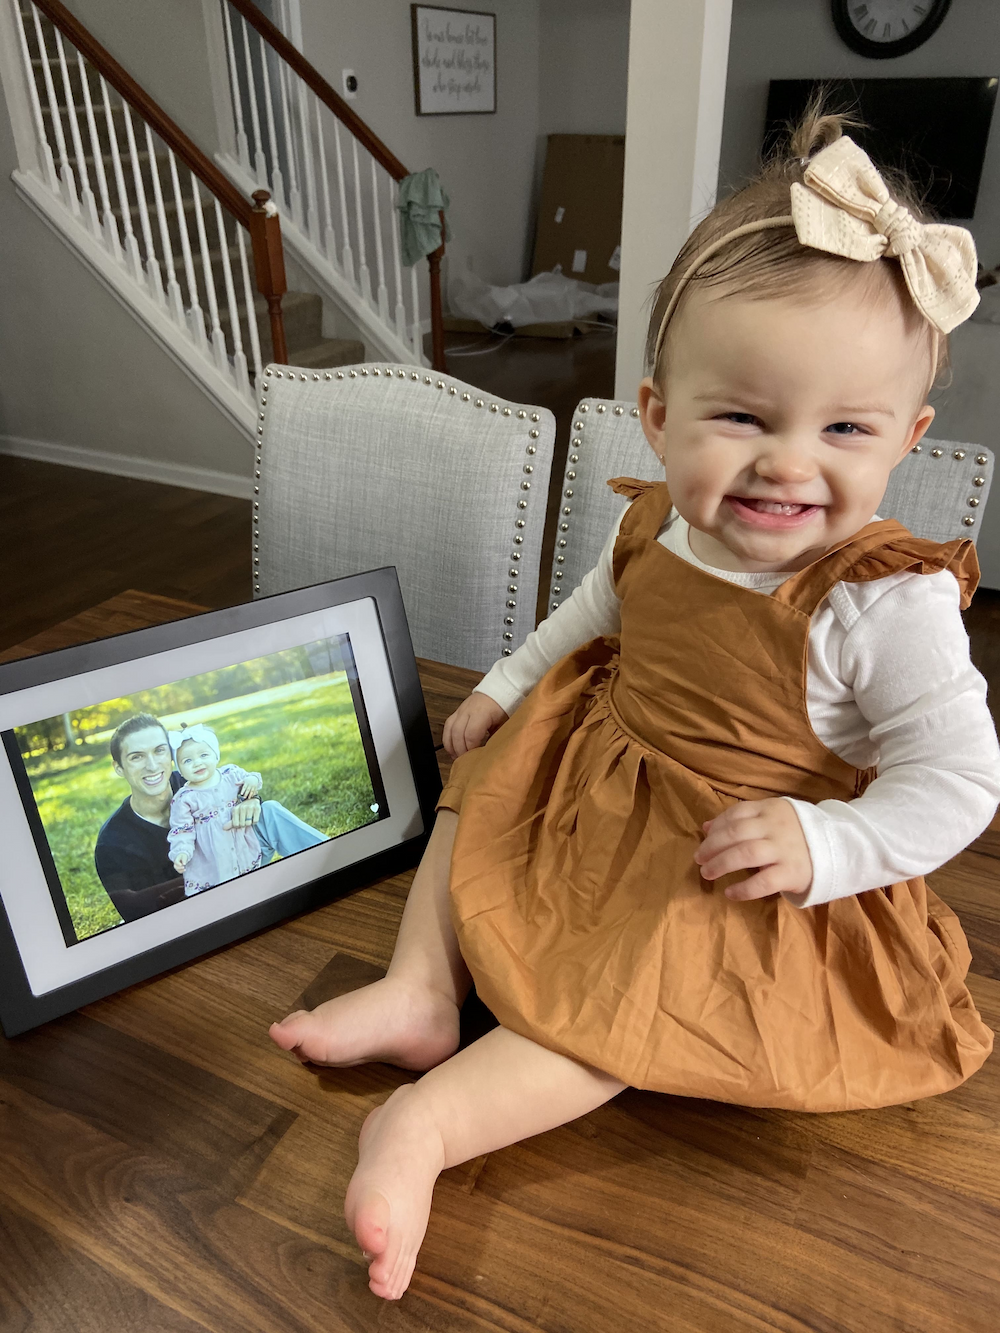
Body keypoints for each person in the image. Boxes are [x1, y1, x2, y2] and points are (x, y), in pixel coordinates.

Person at [268, 113, 1000, 1302]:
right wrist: (507, 686)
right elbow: (593, 616)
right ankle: (416, 983)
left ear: (907, 441)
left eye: (845, 429)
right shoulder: (655, 519)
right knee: (474, 790)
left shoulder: (884, 605)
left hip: (735, 853)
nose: (786, 464)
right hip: (608, 772)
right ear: (658, 416)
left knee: (625, 1000)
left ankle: (431, 1124)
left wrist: (827, 844)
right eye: (743, 417)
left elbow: (960, 781)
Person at [94, 713, 327, 922]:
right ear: (119, 768)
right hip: (200, 909)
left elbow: (230, 786)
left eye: (159, 750)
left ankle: (329, 862)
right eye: (136, 757)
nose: (152, 765)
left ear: (172, 754)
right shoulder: (112, 843)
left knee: (271, 812)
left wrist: (251, 800)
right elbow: (137, 913)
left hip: (243, 861)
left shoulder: (192, 781)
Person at [167, 725, 264, 894]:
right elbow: (182, 830)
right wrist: (181, 852)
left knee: (249, 885)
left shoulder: (230, 774)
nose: (197, 763)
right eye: (187, 760)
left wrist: (252, 780)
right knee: (222, 892)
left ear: (216, 755)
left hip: (241, 846)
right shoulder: (184, 798)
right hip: (211, 858)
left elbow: (252, 778)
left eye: (204, 755)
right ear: (180, 770)